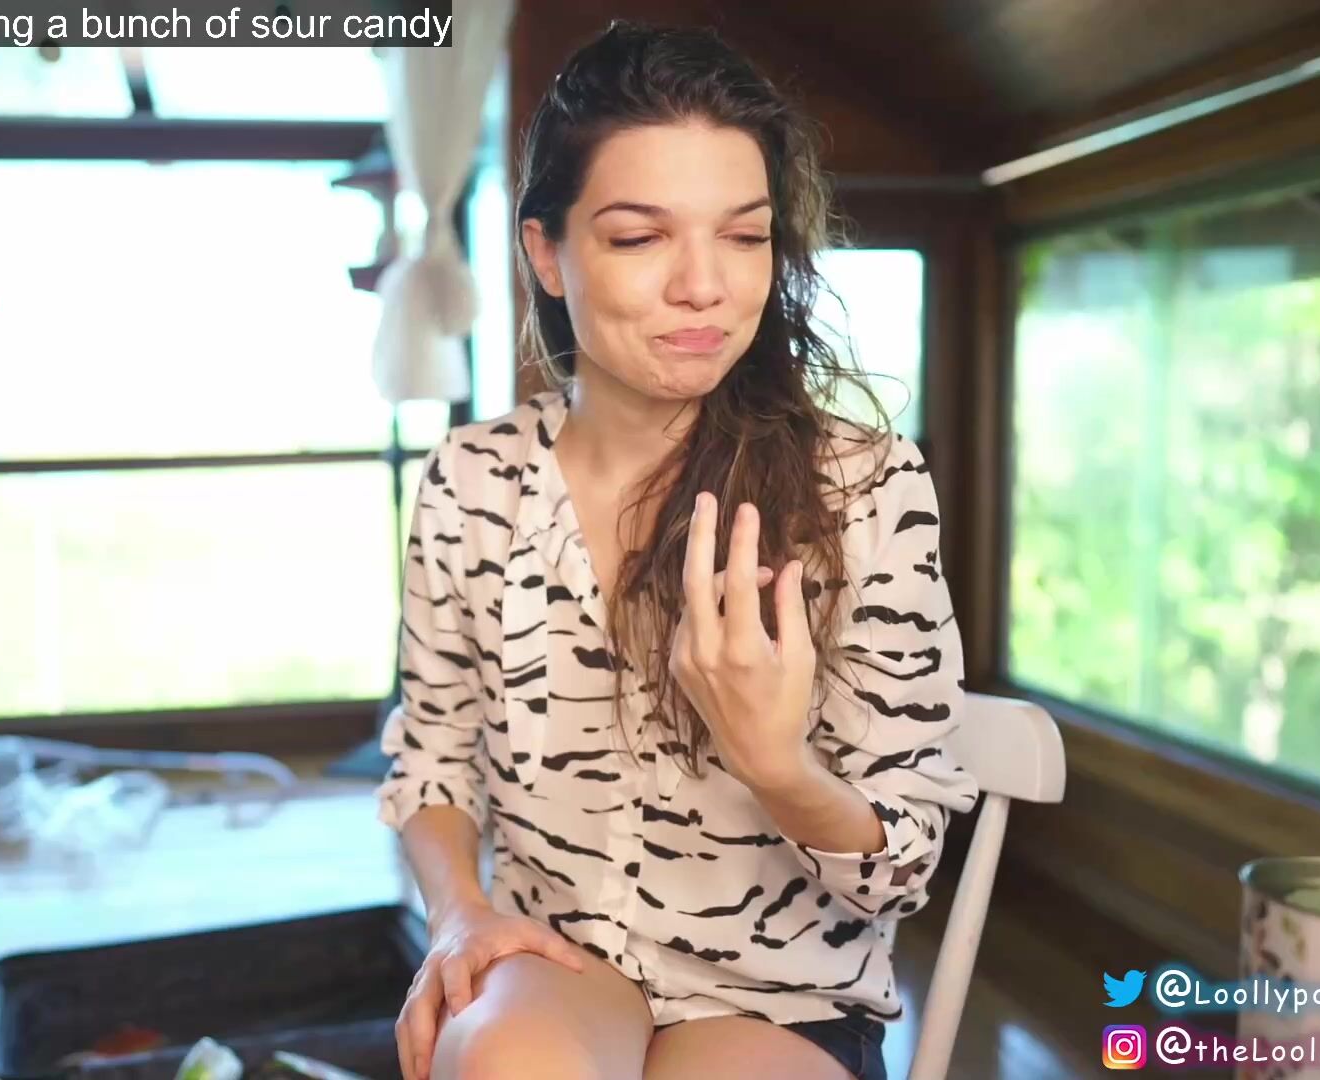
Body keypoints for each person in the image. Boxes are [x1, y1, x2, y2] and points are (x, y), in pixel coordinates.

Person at [375, 21, 978, 1080]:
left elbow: (903, 869)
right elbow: (433, 753)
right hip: (557, 956)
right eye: (639, 237)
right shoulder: (472, 480)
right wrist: (460, 913)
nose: (705, 286)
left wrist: (774, 762)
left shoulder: (866, 486)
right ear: (547, 253)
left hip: (780, 997)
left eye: (744, 237)